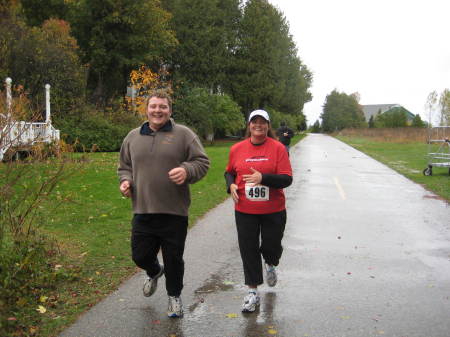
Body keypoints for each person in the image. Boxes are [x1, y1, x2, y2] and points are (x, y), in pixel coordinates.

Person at [118, 89, 209, 318]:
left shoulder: (184, 134)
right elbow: (124, 166)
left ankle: (174, 297)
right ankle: (154, 270)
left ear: (170, 110)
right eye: (153, 106)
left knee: (174, 259)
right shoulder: (132, 136)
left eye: (163, 107)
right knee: (139, 256)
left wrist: (186, 170)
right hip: (143, 209)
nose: (158, 110)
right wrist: (126, 181)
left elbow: (202, 162)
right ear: (146, 109)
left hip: (174, 211)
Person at [224, 109, 293, 313]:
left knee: (271, 247)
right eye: (254, 121)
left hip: (273, 209)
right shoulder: (237, 148)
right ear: (249, 125)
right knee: (249, 249)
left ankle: (271, 263)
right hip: (245, 208)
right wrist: (231, 186)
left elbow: (287, 179)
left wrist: (263, 178)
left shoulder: (279, 148)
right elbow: (229, 172)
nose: (258, 125)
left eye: (262, 122)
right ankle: (252, 292)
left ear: (268, 125)